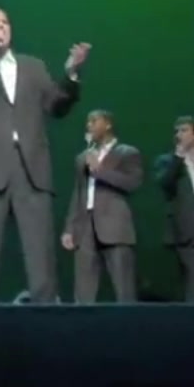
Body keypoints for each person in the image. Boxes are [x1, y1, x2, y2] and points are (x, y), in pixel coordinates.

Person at [0, 3, 91, 302]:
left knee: (41, 255)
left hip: (31, 167)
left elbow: (56, 106)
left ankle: (45, 312)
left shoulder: (33, 66)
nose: (1, 26)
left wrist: (71, 74)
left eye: (4, 22)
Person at [61, 110, 142, 303]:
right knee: (83, 289)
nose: (88, 125)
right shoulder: (83, 157)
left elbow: (132, 183)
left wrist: (99, 170)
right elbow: (77, 193)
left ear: (108, 124)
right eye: (87, 121)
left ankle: (129, 320)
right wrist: (69, 228)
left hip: (115, 226)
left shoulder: (127, 152)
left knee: (124, 288)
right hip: (84, 226)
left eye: (94, 121)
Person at [154, 116, 194, 302]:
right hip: (186, 226)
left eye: (184, 130)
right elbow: (165, 184)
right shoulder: (167, 160)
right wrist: (178, 159)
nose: (179, 135)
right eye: (177, 131)